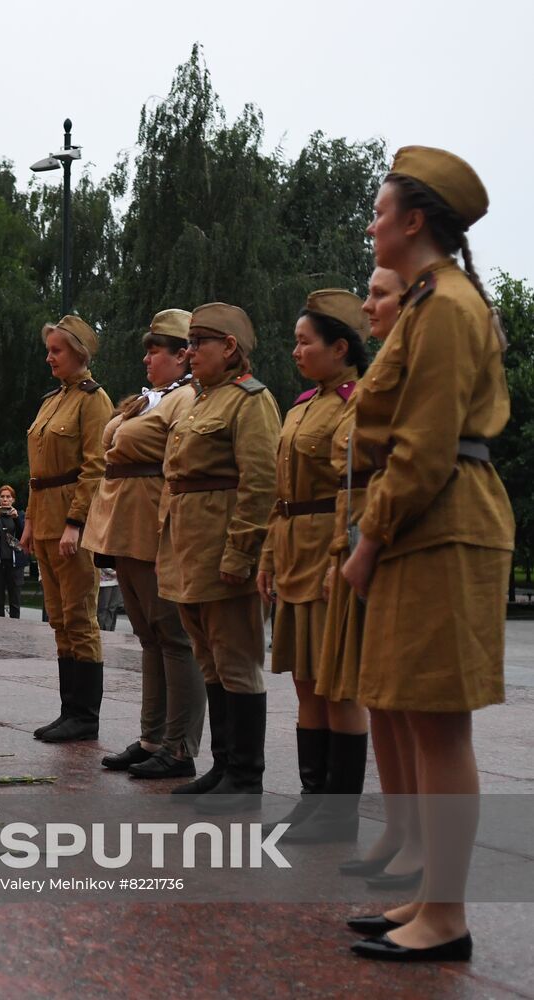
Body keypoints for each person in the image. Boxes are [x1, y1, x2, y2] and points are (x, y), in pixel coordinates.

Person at [343, 147, 512, 963]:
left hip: (441, 522)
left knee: (440, 725)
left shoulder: (444, 306)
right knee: (414, 708)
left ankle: (446, 915)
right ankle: (429, 897)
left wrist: (369, 540)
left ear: (414, 221)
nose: (371, 223)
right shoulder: (422, 304)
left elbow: (426, 444)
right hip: (425, 522)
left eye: (380, 210)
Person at [157, 303, 280, 813]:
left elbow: (260, 483)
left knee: (236, 662)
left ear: (229, 347)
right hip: (190, 550)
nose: (188, 353)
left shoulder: (251, 401)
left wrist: (243, 551)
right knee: (210, 660)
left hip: (223, 550)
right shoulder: (200, 401)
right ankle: (223, 767)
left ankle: (246, 777)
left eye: (198, 343)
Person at [257, 290, 369, 843]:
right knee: (305, 679)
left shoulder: (357, 404)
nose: (296, 350)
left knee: (337, 683)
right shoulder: (300, 405)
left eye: (306, 342)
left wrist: (341, 558)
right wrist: (269, 556)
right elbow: (282, 493)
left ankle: (340, 810)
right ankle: (313, 797)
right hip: (294, 546)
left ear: (340, 347)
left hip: (330, 548)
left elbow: (356, 490)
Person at [331, 268, 425, 885]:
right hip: (368, 528)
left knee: (416, 705)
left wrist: (366, 546)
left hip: (405, 535)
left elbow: (419, 455)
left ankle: (423, 847)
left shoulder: (422, 356)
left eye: (379, 296)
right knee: (380, 697)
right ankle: (399, 828)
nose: (368, 307)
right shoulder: (389, 365)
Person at [83, 309, 202, 780]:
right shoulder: (149, 399)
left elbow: (170, 453)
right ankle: (153, 737)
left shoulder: (187, 398)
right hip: (125, 525)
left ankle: (180, 747)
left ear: (182, 356)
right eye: (148, 348)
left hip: (153, 525)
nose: (147, 357)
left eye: (156, 349)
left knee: (174, 637)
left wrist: (121, 446)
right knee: (149, 638)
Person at [21, 314, 112, 743]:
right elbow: (38, 470)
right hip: (45, 518)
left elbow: (95, 466)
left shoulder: (94, 400)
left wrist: (76, 522)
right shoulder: (52, 400)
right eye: (49, 349)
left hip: (71, 522)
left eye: (57, 350)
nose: (49, 357)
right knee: (59, 619)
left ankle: (85, 715)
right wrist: (29, 521)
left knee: (79, 617)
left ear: (78, 353)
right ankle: (68, 709)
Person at [0, 486, 26, 618]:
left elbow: (24, 536)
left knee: (15, 602)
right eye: (2, 497)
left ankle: (15, 630)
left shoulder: (20, 514)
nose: (5, 499)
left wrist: (16, 518)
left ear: (13, 499)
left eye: (8, 497)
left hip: (14, 565)